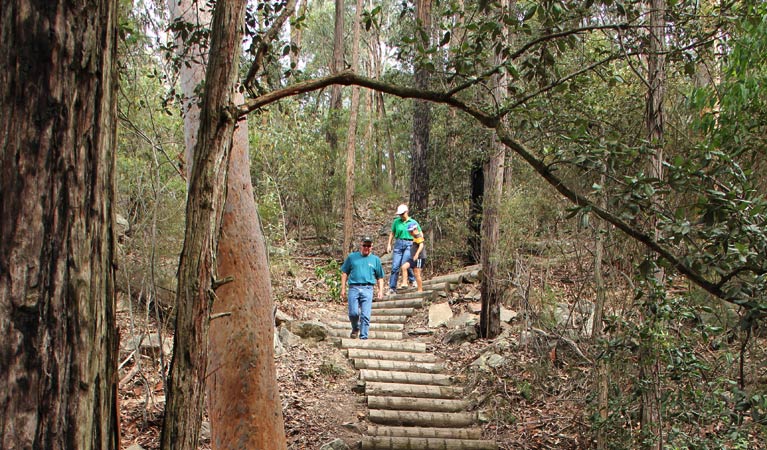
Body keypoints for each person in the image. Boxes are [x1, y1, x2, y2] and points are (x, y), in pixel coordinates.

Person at [340, 236, 385, 339]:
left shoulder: (375, 260)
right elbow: (344, 273)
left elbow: (380, 277)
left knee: (365, 315)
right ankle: (355, 327)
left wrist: (380, 290)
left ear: (371, 247)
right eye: (365, 245)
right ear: (361, 245)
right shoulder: (352, 257)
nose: (366, 248)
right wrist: (343, 288)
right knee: (353, 313)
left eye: (368, 246)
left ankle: (363, 337)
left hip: (368, 288)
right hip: (354, 287)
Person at [386, 204, 420, 294]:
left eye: (402, 214)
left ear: (406, 212)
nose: (401, 216)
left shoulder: (413, 222)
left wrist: (417, 244)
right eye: (399, 214)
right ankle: (392, 288)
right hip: (398, 244)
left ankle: (412, 280)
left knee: (404, 263)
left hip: (409, 244)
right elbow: (392, 233)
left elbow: (419, 234)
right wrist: (389, 244)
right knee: (395, 266)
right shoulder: (396, 222)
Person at [399, 221, 427, 292]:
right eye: (409, 232)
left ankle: (420, 289)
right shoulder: (414, 237)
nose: (410, 233)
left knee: (417, 273)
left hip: (419, 257)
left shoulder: (418, 236)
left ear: (415, 229)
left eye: (411, 231)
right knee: (404, 267)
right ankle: (404, 283)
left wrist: (417, 254)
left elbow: (421, 245)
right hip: (413, 257)